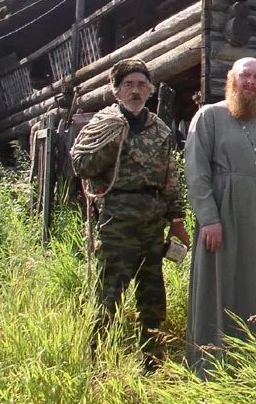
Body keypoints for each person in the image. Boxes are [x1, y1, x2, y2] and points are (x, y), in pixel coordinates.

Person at [183, 57, 256, 377]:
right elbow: (196, 173)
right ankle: (215, 363)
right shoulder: (208, 116)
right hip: (225, 217)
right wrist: (208, 219)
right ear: (231, 80)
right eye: (244, 75)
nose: (250, 82)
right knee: (223, 284)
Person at [70, 58, 188, 369]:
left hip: (152, 223)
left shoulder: (160, 130)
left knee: (152, 295)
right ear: (116, 91)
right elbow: (81, 166)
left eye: (141, 85)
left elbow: (170, 178)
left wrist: (176, 221)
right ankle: (96, 362)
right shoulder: (103, 125)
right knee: (109, 294)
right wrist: (113, 144)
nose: (135, 91)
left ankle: (151, 360)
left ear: (150, 90)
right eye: (128, 85)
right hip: (117, 221)